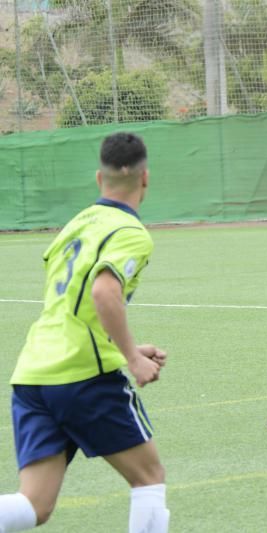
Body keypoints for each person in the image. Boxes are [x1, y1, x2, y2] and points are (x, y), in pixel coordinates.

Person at [0, 133, 170, 533]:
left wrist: (120, 344)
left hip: (33, 373)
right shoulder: (129, 231)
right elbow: (102, 291)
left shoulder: (74, 226)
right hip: (83, 376)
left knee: (35, 504)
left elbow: (72, 305)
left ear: (99, 178)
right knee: (149, 477)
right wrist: (130, 358)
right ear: (145, 178)